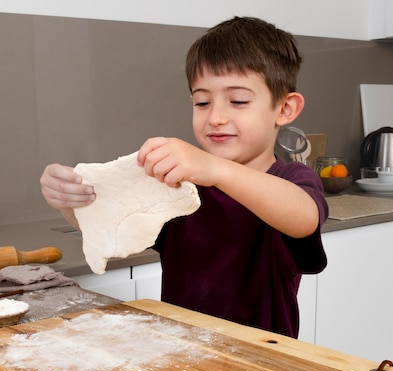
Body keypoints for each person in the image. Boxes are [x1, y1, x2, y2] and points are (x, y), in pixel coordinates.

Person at [40, 16, 328, 338]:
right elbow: (106, 222)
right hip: (181, 352)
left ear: (284, 109)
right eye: (202, 102)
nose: (216, 117)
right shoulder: (180, 185)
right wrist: (71, 200)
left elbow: (304, 218)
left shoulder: (290, 177)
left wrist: (215, 170)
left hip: (262, 364)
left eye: (238, 101)